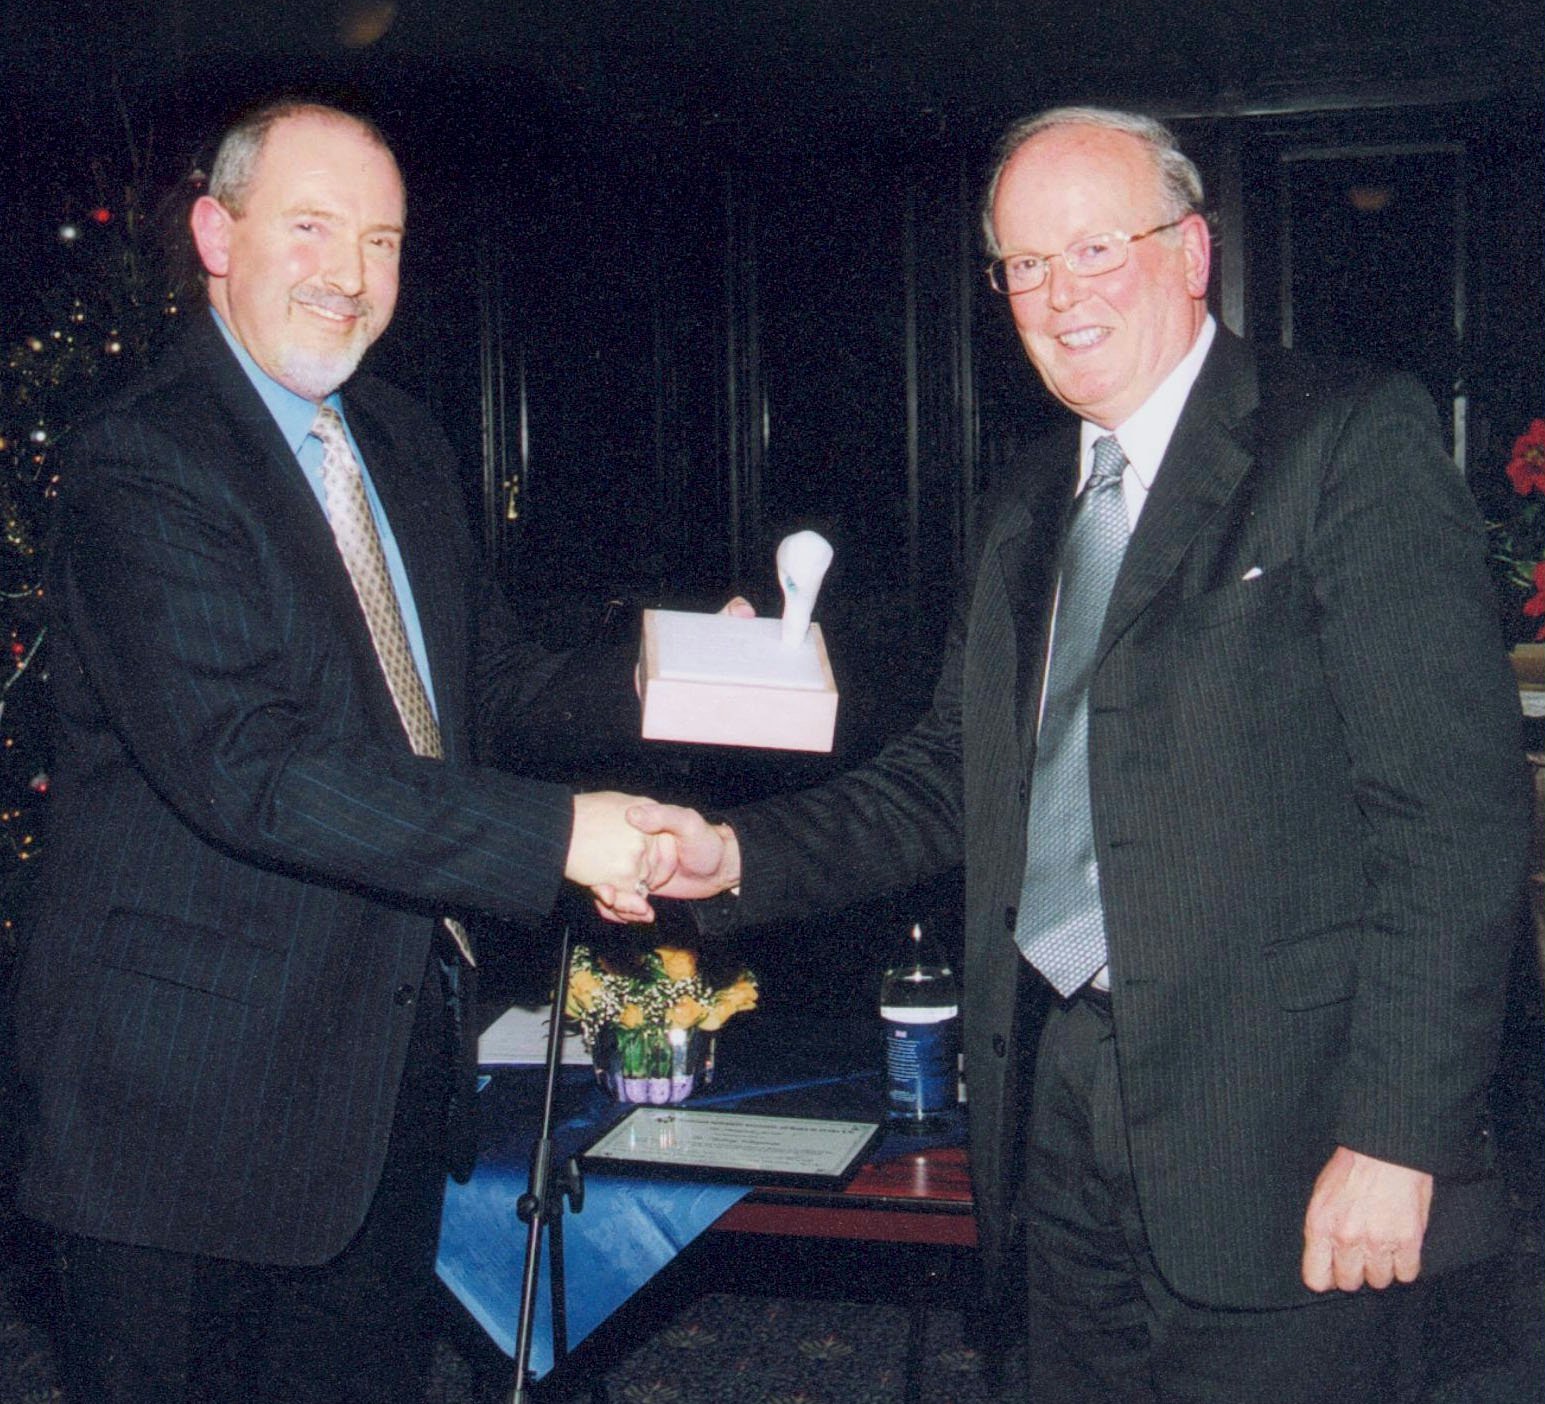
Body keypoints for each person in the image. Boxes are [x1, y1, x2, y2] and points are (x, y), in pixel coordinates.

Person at [627, 106, 1529, 1400]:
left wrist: (1398, 1139)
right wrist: (728, 855)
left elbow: (1449, 825)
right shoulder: (1021, 505)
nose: (1061, 295)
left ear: (1190, 251)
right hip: (1047, 1108)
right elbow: (953, 775)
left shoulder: (1343, 443)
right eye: (1024, 266)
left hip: (1283, 1131)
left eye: (1096, 249)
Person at [8, 98, 678, 1402]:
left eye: (382, 239)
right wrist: (559, 839)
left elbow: (486, 688)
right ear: (216, 232)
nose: (351, 275)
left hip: (375, 1085)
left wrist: (668, 671)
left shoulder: (404, 446)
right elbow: (252, 768)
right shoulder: (141, 461)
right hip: (174, 1116)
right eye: (311, 228)